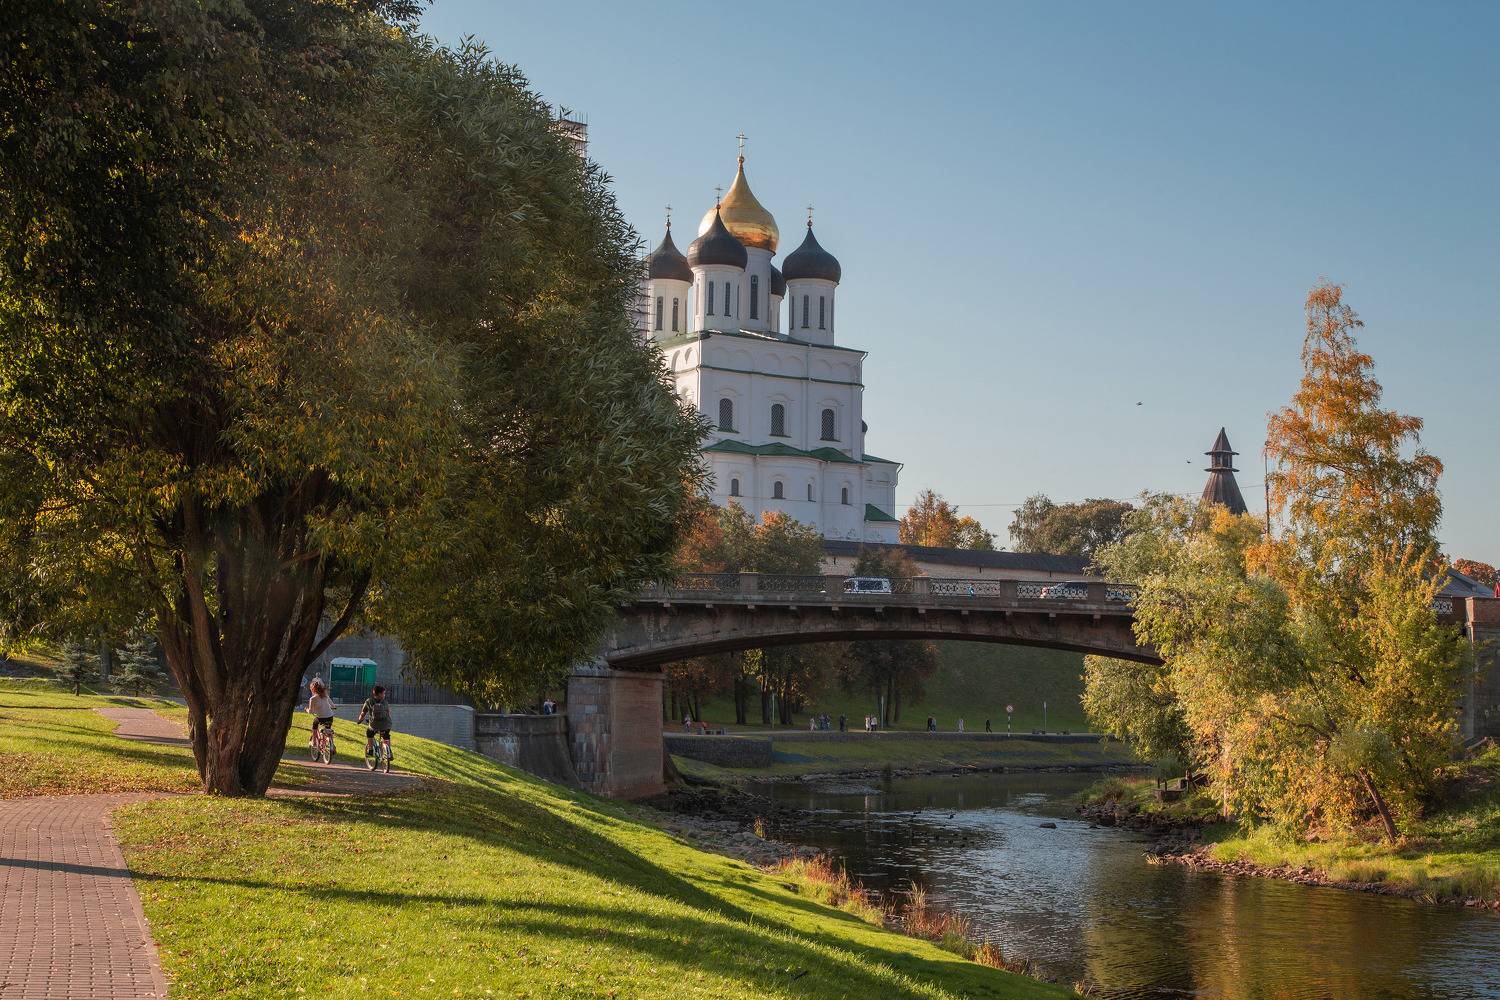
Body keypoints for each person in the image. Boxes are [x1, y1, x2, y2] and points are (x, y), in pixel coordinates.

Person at [358, 685, 394, 764]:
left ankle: (370, 750)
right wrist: (389, 721)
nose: (384, 695)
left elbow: (363, 713)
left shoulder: (369, 701)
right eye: (383, 693)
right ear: (379, 694)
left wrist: (360, 720)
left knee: (369, 733)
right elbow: (388, 713)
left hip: (374, 725)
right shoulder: (385, 702)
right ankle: (389, 751)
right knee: (386, 736)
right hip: (386, 724)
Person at [306, 678, 335, 746]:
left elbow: (311, 711)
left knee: (314, 725)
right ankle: (332, 745)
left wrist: (307, 710)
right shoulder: (325, 695)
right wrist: (333, 706)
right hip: (330, 717)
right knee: (328, 731)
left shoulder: (312, 699)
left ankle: (314, 742)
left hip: (320, 718)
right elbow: (331, 702)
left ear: (313, 690)